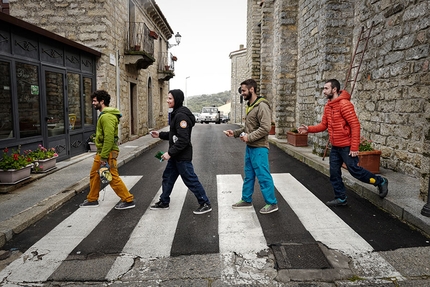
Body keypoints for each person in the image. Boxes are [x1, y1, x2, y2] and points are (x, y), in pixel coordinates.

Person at [298, 79, 388, 206]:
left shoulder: (344, 104)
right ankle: (341, 198)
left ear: (334, 89)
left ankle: (380, 181)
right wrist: (309, 129)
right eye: (323, 89)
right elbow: (324, 125)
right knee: (334, 173)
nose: (324, 91)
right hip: (335, 147)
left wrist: (354, 147)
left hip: (346, 146)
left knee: (355, 171)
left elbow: (355, 126)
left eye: (326, 88)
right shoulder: (328, 106)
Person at [150, 89, 212, 215]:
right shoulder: (177, 113)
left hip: (182, 156)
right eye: (167, 98)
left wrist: (169, 153)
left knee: (190, 179)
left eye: (170, 99)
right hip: (176, 156)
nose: (167, 101)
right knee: (167, 177)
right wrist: (160, 135)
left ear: (177, 100)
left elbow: (183, 140)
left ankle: (205, 203)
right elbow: (174, 135)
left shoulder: (181, 116)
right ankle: (164, 201)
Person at [224, 79, 278, 214]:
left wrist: (249, 137)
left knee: (263, 176)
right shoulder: (251, 105)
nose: (242, 93)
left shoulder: (262, 106)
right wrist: (235, 133)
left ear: (251, 89)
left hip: (259, 148)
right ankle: (246, 199)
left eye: (243, 91)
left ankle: (272, 203)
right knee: (249, 175)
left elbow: (266, 128)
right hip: (250, 147)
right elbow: (249, 127)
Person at [80, 90, 135, 210]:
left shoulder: (107, 117)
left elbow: (109, 138)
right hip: (103, 152)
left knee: (111, 176)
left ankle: (128, 199)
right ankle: (92, 199)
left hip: (108, 152)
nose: (93, 103)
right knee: (95, 174)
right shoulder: (104, 115)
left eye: (95, 101)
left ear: (102, 101)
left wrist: (104, 157)